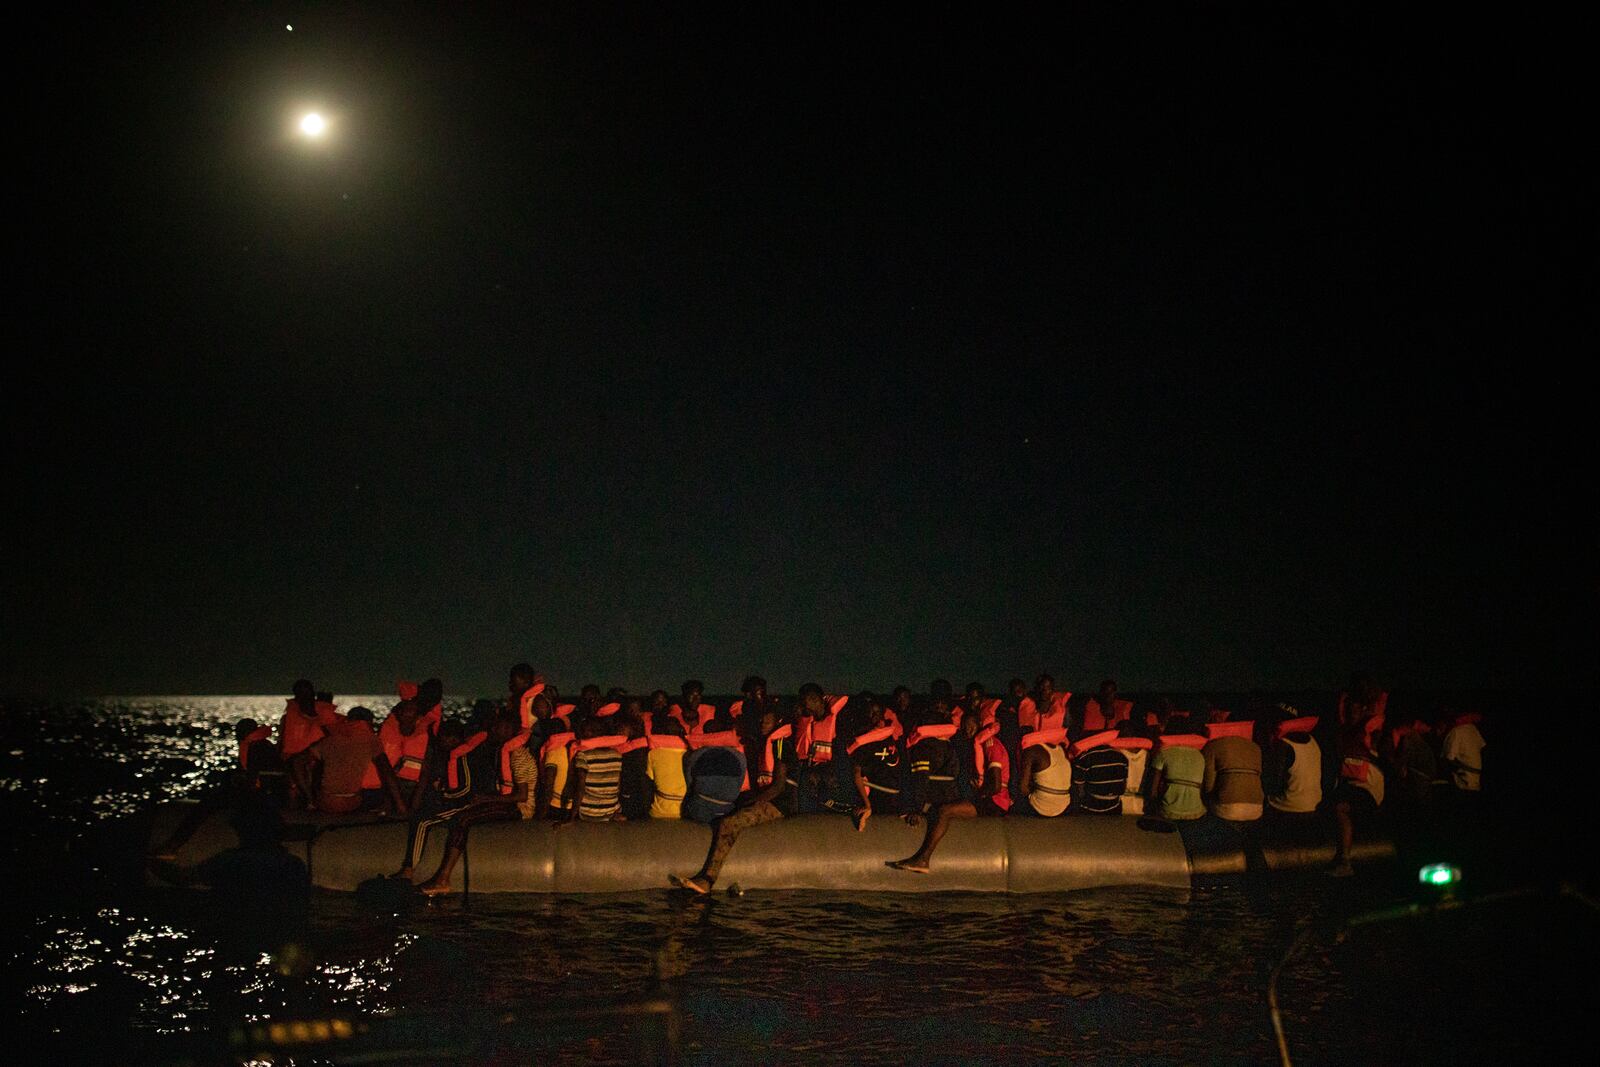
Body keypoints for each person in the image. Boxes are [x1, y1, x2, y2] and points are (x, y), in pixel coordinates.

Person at [670, 708, 800, 894]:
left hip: (782, 803)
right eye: (761, 721)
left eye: (768, 722)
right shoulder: (763, 743)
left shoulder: (781, 744)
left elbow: (778, 787)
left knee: (730, 823)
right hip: (771, 798)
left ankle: (708, 879)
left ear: (778, 722)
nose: (763, 725)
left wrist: (752, 803)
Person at [417, 706, 539, 895]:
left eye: (502, 728)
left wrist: (485, 798)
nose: (495, 731)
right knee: (464, 811)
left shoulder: (518, 756)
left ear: (511, 731)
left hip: (519, 808)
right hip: (507, 802)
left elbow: (522, 796)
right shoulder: (502, 752)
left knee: (464, 819)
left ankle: (443, 879)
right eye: (495, 727)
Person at [886, 702, 1010, 873]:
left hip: (995, 801)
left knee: (945, 811)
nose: (967, 730)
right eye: (964, 726)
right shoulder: (972, 747)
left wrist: (977, 796)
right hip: (986, 797)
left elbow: (995, 787)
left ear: (980, 725)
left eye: (971, 725)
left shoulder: (990, 745)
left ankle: (923, 859)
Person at [302, 707, 407, 815]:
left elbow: (297, 762)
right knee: (383, 790)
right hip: (352, 802)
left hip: (325, 801)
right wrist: (400, 805)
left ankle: (309, 801)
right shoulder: (370, 740)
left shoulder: (328, 740)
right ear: (369, 723)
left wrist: (309, 795)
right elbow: (387, 772)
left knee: (316, 764)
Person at [1329, 721, 1386, 877]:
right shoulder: (1360, 754)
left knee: (1340, 808)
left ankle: (1344, 861)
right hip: (1363, 794)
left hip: (1366, 794)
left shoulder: (1368, 754)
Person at [850, 697, 907, 831]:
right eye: (871, 713)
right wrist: (867, 804)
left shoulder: (893, 736)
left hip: (896, 795)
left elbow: (905, 769)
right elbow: (856, 774)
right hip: (878, 795)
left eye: (877, 712)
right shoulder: (863, 741)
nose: (875, 716)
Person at [562, 715, 626, 822]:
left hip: (589, 812)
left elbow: (580, 788)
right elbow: (617, 787)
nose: (582, 735)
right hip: (611, 810)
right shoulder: (617, 755)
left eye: (585, 731)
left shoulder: (583, 755)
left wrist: (571, 817)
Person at [1264, 709, 1323, 817]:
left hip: (1287, 808)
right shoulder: (1313, 740)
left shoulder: (1284, 745)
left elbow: (1273, 784)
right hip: (1313, 806)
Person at [1201, 721, 1264, 821]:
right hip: (1257, 808)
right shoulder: (1255, 747)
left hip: (1226, 807)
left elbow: (1208, 783)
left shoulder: (1212, 746)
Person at [680, 732, 747, 824]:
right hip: (728, 811)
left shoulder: (696, 755)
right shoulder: (740, 756)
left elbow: (689, 784)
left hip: (700, 811)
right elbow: (740, 784)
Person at [1148, 728, 1207, 822]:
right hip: (1196, 812)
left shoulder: (1164, 753)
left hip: (1168, 811)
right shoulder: (1199, 755)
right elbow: (1202, 788)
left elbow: (1153, 789)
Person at [1070, 730, 1130, 815]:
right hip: (1115, 804)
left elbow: (1079, 787)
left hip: (1092, 805)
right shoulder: (1121, 756)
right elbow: (1124, 782)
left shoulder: (1086, 757)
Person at [279, 679, 339, 762]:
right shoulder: (288, 718)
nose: (305, 698)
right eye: (301, 694)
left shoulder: (324, 712)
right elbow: (282, 741)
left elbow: (331, 735)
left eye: (307, 694)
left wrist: (325, 708)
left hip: (320, 757)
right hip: (295, 758)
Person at [645, 717, 690, 819]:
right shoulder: (690, 754)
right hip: (685, 811)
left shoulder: (653, 754)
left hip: (659, 811)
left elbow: (650, 780)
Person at [1439, 710, 1485, 793]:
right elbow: (1481, 746)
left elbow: (1449, 758)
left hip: (1462, 781)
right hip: (1475, 780)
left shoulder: (1457, 731)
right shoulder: (1473, 729)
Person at [618, 712, 653, 820]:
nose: (619, 731)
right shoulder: (633, 747)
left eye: (622, 729)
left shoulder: (636, 750)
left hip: (636, 790)